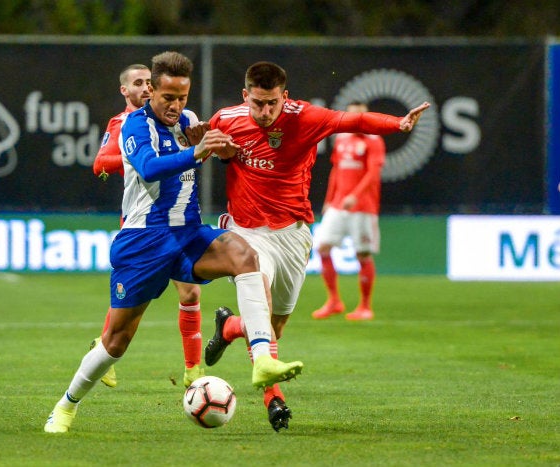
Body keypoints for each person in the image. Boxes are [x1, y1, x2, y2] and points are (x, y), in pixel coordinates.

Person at [44, 51, 303, 434]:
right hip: (142, 243)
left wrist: (222, 150)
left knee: (244, 255)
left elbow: (217, 152)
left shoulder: (190, 122)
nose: (176, 105)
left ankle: (263, 357)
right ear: (151, 91)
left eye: (182, 97)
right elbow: (148, 168)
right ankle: (65, 406)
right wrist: (196, 151)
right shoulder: (134, 125)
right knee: (116, 341)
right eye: (168, 97)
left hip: (187, 234)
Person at [204, 61, 429, 431]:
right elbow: (193, 145)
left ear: (284, 97)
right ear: (246, 96)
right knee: (257, 291)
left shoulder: (304, 116)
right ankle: (273, 399)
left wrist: (398, 123)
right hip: (244, 233)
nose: (264, 112)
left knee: (273, 327)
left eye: (272, 103)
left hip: (292, 234)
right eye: (258, 103)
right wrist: (200, 142)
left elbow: (352, 122)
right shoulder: (226, 119)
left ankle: (230, 327)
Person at [91, 63, 205, 389]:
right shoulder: (124, 123)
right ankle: (105, 349)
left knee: (191, 290)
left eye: (146, 82)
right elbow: (100, 163)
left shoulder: (177, 119)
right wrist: (136, 157)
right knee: (130, 305)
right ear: (125, 91)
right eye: (136, 83)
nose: (143, 87)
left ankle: (193, 369)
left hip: (178, 220)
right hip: (143, 225)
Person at [312, 101, 384, 321]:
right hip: (338, 205)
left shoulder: (374, 141)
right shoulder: (341, 138)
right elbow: (336, 169)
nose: (356, 121)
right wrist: (329, 198)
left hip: (362, 207)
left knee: (362, 253)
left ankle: (365, 306)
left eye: (360, 116)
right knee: (323, 247)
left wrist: (356, 195)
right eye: (352, 116)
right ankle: (334, 300)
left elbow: (373, 172)